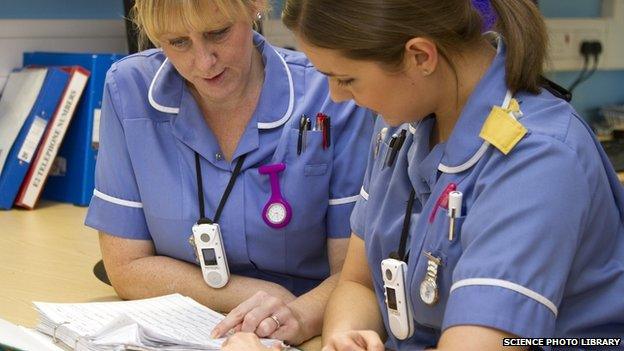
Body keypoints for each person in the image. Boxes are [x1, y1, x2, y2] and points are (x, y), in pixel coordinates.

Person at [223, 0, 624, 350]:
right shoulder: (402, 126)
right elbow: (360, 282)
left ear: (419, 57)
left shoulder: (537, 160)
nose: (336, 96)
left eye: (346, 78)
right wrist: (344, 336)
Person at [85, 0, 374, 346]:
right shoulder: (128, 89)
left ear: (255, 7)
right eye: (178, 42)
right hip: (185, 329)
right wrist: (255, 294)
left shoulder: (331, 94)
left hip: (308, 330)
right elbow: (126, 267)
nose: (204, 62)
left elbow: (354, 276)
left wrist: (293, 315)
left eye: (218, 33)